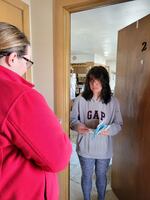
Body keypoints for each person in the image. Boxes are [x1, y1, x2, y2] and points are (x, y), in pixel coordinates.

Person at [0, 22, 72, 200]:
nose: (26, 69)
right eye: (28, 62)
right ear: (13, 58)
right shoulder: (19, 96)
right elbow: (58, 157)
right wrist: (54, 127)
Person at [70, 66, 123, 200]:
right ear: (88, 81)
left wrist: (109, 130)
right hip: (85, 147)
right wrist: (77, 126)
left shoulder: (113, 102)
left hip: (104, 149)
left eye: (98, 80)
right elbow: (72, 120)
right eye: (92, 80)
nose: (94, 84)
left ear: (104, 82)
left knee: (101, 176)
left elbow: (119, 124)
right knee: (86, 176)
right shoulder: (80, 100)